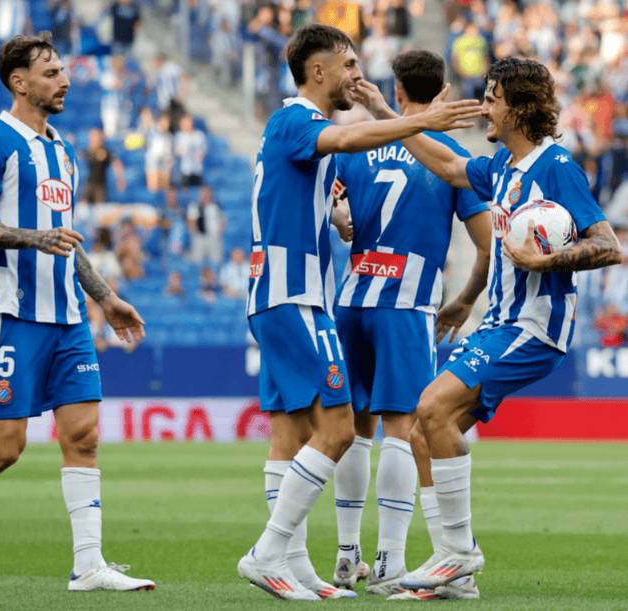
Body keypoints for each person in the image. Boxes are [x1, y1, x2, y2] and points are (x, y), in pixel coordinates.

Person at [236, 22, 481, 601]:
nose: (357, 74)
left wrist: (337, 214)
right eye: (348, 64)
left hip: (325, 295)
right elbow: (346, 143)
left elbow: (314, 189)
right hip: (313, 296)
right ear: (317, 69)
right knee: (351, 427)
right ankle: (276, 554)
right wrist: (421, 122)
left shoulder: (311, 134)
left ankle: (300, 564)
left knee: (294, 429)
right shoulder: (302, 121)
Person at [362, 57, 622, 594]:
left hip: (533, 326)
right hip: (500, 323)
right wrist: (389, 114)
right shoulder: (502, 166)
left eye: (492, 99)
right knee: (423, 431)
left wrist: (548, 259)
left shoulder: (556, 167)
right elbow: (448, 166)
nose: (484, 108)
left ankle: (459, 553)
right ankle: (454, 573)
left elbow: (608, 245)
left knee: (431, 408)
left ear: (520, 108)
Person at [0, 32, 154, 594]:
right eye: (51, 73)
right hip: (14, 313)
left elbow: (63, 238)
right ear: (19, 82)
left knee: (84, 435)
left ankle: (88, 564)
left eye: (63, 71)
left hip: (68, 315)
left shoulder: (62, 151)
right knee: (6, 446)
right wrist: (32, 237)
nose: (64, 80)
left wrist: (105, 296)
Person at [329, 50, 492, 599]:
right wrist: (465, 300)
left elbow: (332, 209)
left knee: (354, 427)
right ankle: (389, 564)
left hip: (352, 298)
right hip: (406, 302)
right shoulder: (451, 156)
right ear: (441, 91)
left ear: (397, 91)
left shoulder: (361, 146)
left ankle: (346, 554)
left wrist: (343, 219)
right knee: (402, 427)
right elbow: (486, 244)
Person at [80, 127, 126, 204]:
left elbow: (117, 164)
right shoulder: (88, 151)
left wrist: (120, 180)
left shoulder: (105, 152)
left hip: (100, 186)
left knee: (99, 207)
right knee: (82, 205)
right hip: (89, 184)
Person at [186, 185, 225, 263]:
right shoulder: (194, 206)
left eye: (207, 193)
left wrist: (219, 233)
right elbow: (190, 221)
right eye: (203, 193)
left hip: (214, 236)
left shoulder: (216, 206)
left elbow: (223, 220)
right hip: (199, 236)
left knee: (216, 260)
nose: (206, 195)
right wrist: (195, 234)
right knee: (197, 260)